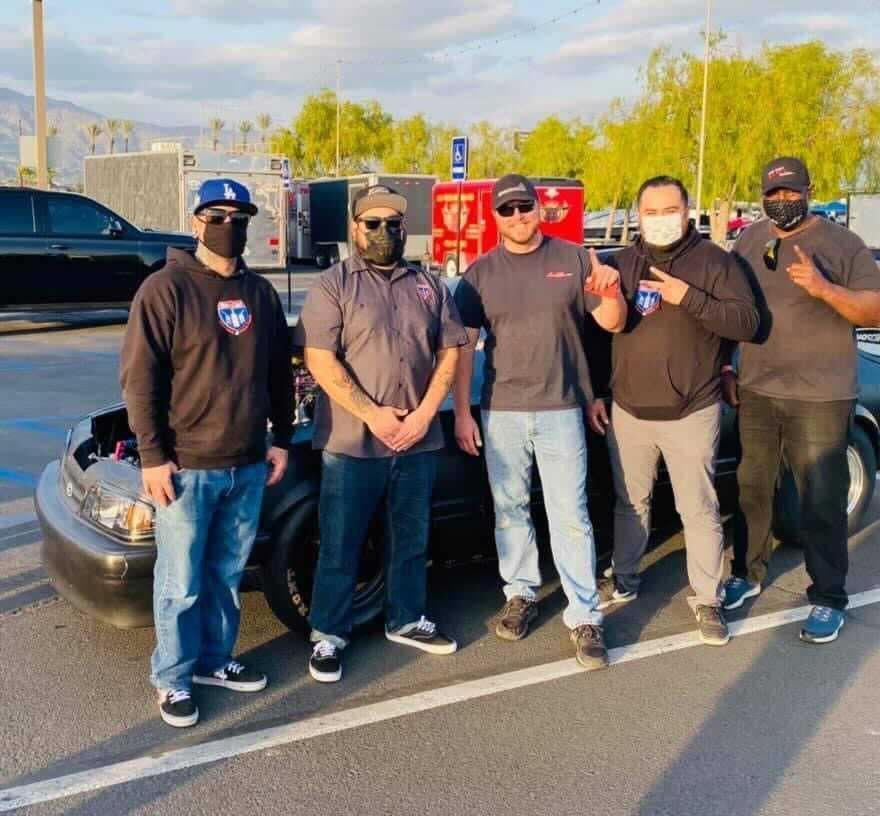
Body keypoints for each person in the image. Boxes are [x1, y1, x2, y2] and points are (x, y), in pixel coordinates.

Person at [120, 178, 293, 728]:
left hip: (246, 464)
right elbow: (140, 379)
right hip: (187, 468)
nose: (228, 226)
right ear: (196, 222)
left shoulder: (261, 294)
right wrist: (152, 456)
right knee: (181, 582)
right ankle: (173, 678)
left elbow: (276, 374)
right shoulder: (165, 289)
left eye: (238, 216)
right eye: (216, 216)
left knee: (225, 574)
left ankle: (216, 662)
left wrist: (281, 437)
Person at [452, 174, 626, 670]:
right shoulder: (479, 274)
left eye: (524, 206)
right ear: (495, 216)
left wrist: (610, 291)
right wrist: (462, 411)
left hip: (561, 408)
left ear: (539, 209)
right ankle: (522, 592)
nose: (517, 216)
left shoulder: (573, 259)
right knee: (509, 509)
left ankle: (585, 615)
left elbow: (606, 326)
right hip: (501, 409)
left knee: (569, 513)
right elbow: (463, 347)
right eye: (506, 210)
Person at [298, 185, 466, 683]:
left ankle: (407, 618)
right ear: (355, 228)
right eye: (372, 223)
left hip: (418, 439)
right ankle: (329, 633)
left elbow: (450, 351)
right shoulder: (332, 285)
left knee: (411, 537)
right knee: (341, 540)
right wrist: (373, 415)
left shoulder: (428, 285)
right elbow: (319, 359)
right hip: (352, 441)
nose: (383, 232)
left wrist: (424, 415)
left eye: (393, 224)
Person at [723, 157, 880, 643]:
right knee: (752, 488)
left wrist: (824, 288)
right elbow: (736, 309)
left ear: (810, 190)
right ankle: (747, 574)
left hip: (821, 395)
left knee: (820, 499)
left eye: (791, 193)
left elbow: (878, 309)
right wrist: (729, 365)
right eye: (773, 195)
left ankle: (828, 596)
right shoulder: (750, 240)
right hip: (758, 387)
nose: (781, 202)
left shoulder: (843, 244)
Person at [586, 176, 758, 646]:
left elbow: (747, 322)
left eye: (670, 210)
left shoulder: (717, 263)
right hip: (629, 411)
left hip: (692, 410)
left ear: (687, 211)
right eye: (651, 211)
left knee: (697, 508)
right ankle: (624, 577)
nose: (661, 220)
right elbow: (601, 336)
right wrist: (598, 393)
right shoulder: (621, 262)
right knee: (630, 502)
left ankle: (707, 599)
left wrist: (689, 298)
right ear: (639, 216)